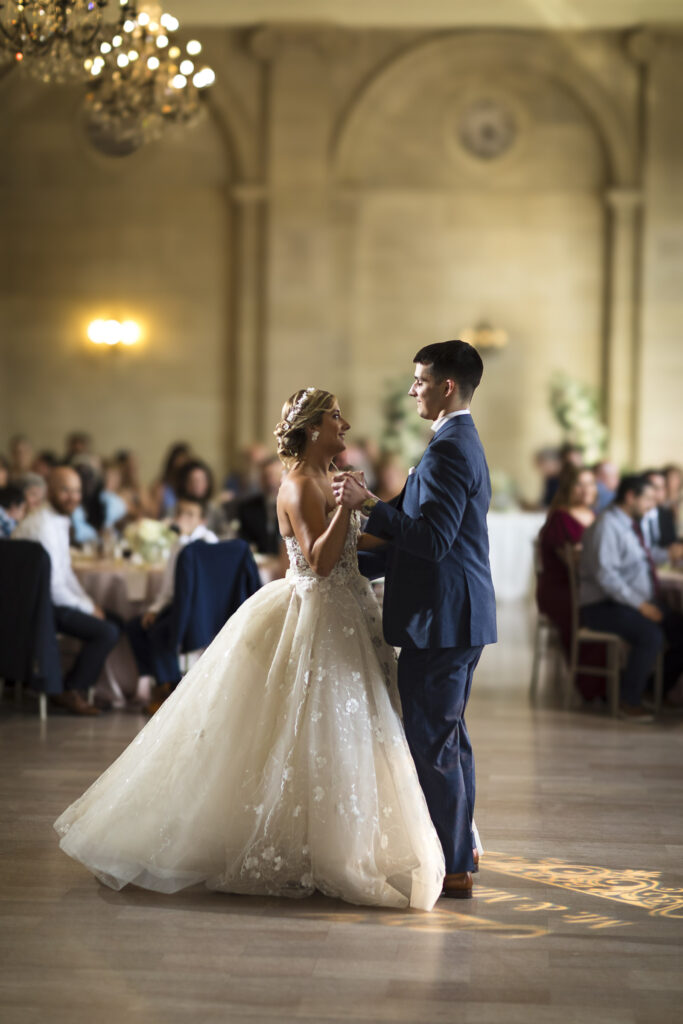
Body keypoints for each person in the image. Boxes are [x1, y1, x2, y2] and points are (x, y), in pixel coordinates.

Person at [54, 388, 445, 910]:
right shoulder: (301, 485)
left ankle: (333, 835)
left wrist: (394, 528)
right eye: (335, 418)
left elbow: (353, 543)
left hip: (347, 614)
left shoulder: (325, 481)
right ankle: (311, 846)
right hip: (319, 613)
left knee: (343, 730)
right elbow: (322, 561)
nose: (345, 425)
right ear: (311, 429)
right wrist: (348, 507)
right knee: (309, 727)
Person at [333, 340, 497, 900]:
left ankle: (452, 867)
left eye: (420, 380)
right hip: (453, 615)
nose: (412, 390)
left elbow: (431, 540)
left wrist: (366, 504)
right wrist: (338, 565)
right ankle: (460, 851)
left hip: (445, 619)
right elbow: (410, 530)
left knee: (431, 742)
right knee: (448, 738)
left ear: (446, 385)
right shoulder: (451, 442)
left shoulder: (452, 448)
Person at [13, 467, 120, 715]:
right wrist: (87, 608)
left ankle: (95, 688)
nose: (72, 497)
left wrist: (89, 603)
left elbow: (65, 573)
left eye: (77, 491)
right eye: (65, 490)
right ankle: (70, 689)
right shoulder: (43, 526)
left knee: (117, 622)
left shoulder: (58, 519)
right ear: (49, 490)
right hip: (39, 607)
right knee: (107, 632)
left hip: (51, 599)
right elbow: (54, 588)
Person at [579, 474, 683, 721]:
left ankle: (652, 689)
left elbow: (639, 560)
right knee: (650, 634)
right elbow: (607, 577)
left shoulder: (629, 523)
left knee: (680, 628)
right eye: (647, 498)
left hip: (626, 601)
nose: (652, 504)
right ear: (630, 496)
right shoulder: (607, 525)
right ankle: (628, 700)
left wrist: (669, 554)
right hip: (601, 605)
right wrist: (641, 606)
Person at [126, 496, 219, 714]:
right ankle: (162, 682)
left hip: (199, 608)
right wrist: (154, 609)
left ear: (202, 520)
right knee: (136, 626)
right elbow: (168, 588)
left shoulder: (209, 541)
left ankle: (170, 690)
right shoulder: (177, 544)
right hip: (177, 604)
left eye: (190, 514)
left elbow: (210, 585)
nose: (183, 518)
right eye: (181, 513)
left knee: (161, 632)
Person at [536, 465, 597, 656]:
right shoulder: (560, 517)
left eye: (591, 483)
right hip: (563, 588)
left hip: (586, 584)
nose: (586, 489)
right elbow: (573, 563)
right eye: (580, 484)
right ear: (568, 488)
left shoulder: (594, 516)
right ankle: (589, 676)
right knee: (600, 609)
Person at [236, 455, 284, 555]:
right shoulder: (247, 508)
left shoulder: (294, 506)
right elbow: (244, 538)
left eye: (275, 476)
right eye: (266, 476)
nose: (270, 482)